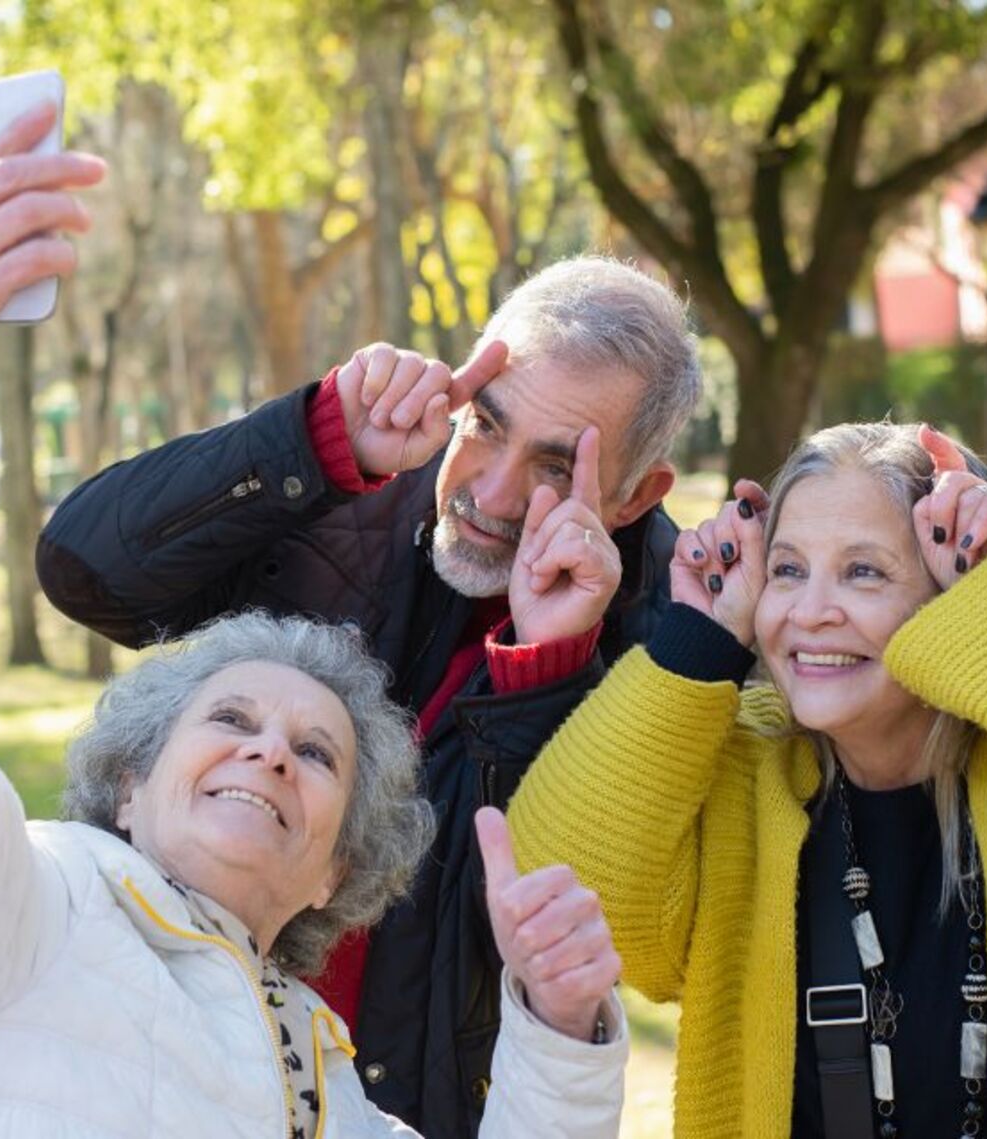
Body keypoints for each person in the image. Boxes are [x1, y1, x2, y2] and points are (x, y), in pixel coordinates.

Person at [0, 108, 629, 1137]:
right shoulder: (20, 923)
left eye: (318, 753)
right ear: (130, 786)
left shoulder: (328, 1090)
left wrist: (556, 1025)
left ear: (337, 870)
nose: (272, 751)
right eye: (231, 718)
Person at [36, 251, 700, 1131]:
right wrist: (313, 437)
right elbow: (84, 571)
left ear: (635, 495)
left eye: (552, 466)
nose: (491, 493)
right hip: (184, 1074)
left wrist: (547, 663)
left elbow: (515, 918)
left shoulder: (666, 637)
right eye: (487, 424)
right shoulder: (346, 485)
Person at [506, 421, 987, 1137]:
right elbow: (563, 881)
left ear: (953, 594)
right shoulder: (743, 773)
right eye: (787, 569)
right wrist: (697, 642)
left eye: (863, 570)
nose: (811, 612)